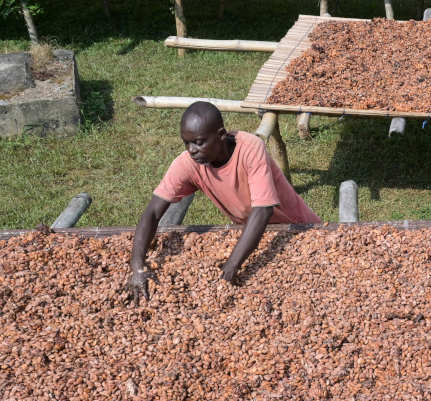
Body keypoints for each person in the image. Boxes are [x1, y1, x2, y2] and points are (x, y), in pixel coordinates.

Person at [126, 101, 320, 303]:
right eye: (187, 143)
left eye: (199, 142)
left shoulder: (250, 149)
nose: (192, 150)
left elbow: (263, 211)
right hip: (250, 236)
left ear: (221, 135)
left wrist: (230, 268)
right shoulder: (188, 163)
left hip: (300, 230)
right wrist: (138, 267)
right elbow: (152, 213)